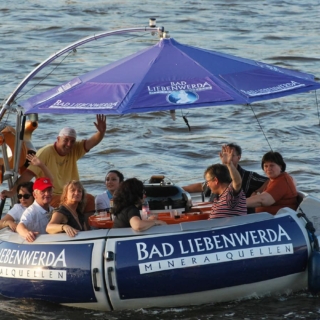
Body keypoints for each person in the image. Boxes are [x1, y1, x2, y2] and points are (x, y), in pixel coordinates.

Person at [1, 114, 107, 213]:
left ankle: (86, 228)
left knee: (90, 200)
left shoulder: (74, 149)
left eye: (72, 141)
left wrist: (101, 133)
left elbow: (91, 142)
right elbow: (27, 175)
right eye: (66, 140)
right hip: (51, 195)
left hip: (71, 193)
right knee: (67, 204)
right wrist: (12, 192)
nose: (69, 144)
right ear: (58, 139)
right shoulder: (45, 152)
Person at [183, 143, 268, 213]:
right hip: (214, 211)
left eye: (231, 155)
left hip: (234, 216)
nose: (228, 158)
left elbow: (269, 180)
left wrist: (257, 192)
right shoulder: (219, 174)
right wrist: (179, 189)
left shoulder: (248, 176)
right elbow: (203, 186)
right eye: (225, 155)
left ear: (239, 158)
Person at [205, 145, 247, 219]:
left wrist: (229, 164)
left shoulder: (230, 195)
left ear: (216, 180)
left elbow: (237, 183)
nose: (207, 185)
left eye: (208, 181)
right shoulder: (219, 197)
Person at [16, 177, 54, 242]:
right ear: (34, 194)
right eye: (43, 191)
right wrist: (27, 233)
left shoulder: (53, 210)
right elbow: (20, 226)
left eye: (49, 190)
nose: (47, 194)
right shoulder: (31, 212)